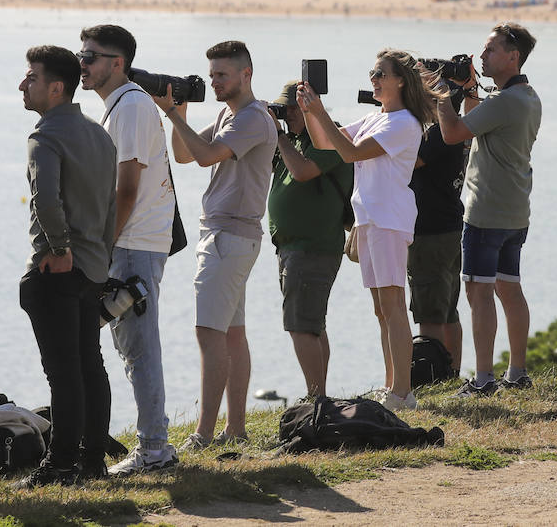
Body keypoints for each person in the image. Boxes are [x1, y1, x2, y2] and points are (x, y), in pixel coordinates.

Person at [150, 40, 276, 450]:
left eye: (222, 74)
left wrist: (170, 112)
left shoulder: (253, 119)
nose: (214, 82)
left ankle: (203, 433)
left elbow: (205, 157)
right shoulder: (229, 113)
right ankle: (234, 429)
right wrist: (180, 114)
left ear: (246, 74)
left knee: (209, 333)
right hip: (231, 236)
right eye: (211, 75)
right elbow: (185, 155)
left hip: (228, 236)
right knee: (232, 334)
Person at [297, 49, 435, 412]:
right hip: (370, 218)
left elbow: (351, 153)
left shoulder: (404, 122)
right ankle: (392, 385)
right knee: (381, 309)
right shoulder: (377, 118)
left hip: (389, 219)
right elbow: (325, 142)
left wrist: (320, 112)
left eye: (380, 74)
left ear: (400, 81)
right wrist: (312, 111)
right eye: (373, 73)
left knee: (393, 306)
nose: (373, 79)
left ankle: (403, 393)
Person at [77, 24, 180, 475]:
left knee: (140, 347)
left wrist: (102, 247)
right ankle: (153, 444)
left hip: (133, 242)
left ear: (117, 64)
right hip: (131, 241)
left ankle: (155, 449)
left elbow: (127, 188)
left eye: (91, 56)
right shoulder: (121, 105)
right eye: (81, 54)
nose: (82, 63)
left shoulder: (132, 106)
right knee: (132, 346)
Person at [18, 44, 117, 486]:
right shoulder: (100, 135)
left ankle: (60, 466)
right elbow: (113, 207)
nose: (23, 84)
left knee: (63, 372)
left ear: (56, 88)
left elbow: (46, 201)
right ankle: (92, 460)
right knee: (89, 365)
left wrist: (57, 250)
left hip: (60, 268)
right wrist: (102, 254)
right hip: (94, 266)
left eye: (31, 77)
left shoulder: (45, 137)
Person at [432, 24, 541, 396]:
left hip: (485, 211)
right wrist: (470, 91)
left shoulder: (507, 102)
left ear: (513, 56)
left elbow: (452, 134)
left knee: (477, 291)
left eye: (491, 50)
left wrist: (442, 95)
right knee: (509, 289)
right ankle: (518, 371)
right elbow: (480, 120)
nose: (482, 57)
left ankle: (482, 378)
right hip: (514, 210)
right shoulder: (527, 96)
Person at [267, 80, 352, 399]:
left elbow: (303, 172)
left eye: (292, 110)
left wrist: (278, 136)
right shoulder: (295, 140)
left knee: (301, 325)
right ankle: (319, 395)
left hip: (313, 246)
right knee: (312, 323)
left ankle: (316, 398)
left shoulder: (327, 136)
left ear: (308, 108)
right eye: (283, 110)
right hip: (293, 247)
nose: (287, 116)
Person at [407, 78, 474, 375]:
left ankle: (430, 374)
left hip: (430, 229)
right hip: (448, 224)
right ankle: (452, 372)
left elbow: (412, 160)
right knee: (448, 310)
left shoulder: (438, 134)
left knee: (429, 312)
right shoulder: (457, 129)